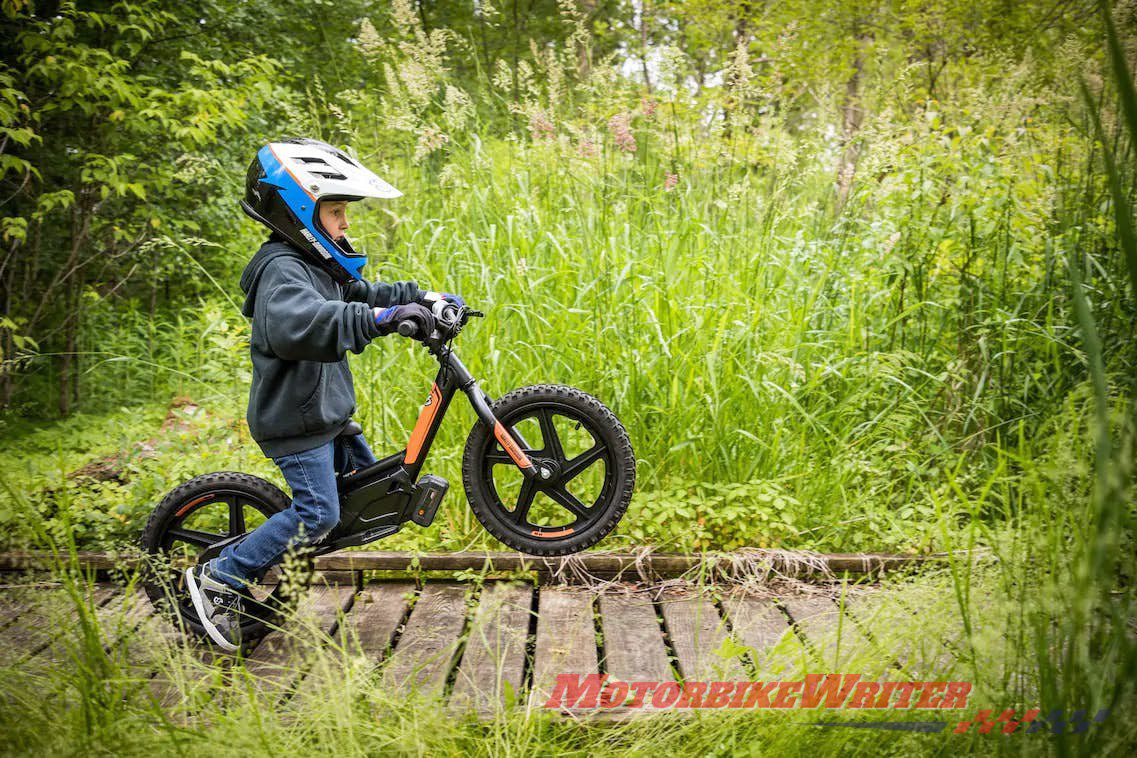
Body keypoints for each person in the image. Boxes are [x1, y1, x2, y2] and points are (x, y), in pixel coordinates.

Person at [185, 138, 463, 651]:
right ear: (298, 211)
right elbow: (304, 323)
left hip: (325, 415)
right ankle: (221, 576)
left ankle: (291, 546)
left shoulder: (315, 267)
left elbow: (364, 294)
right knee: (319, 515)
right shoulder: (281, 271)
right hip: (296, 423)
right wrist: (381, 319)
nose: (345, 222)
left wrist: (421, 298)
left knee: (368, 495)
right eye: (335, 211)